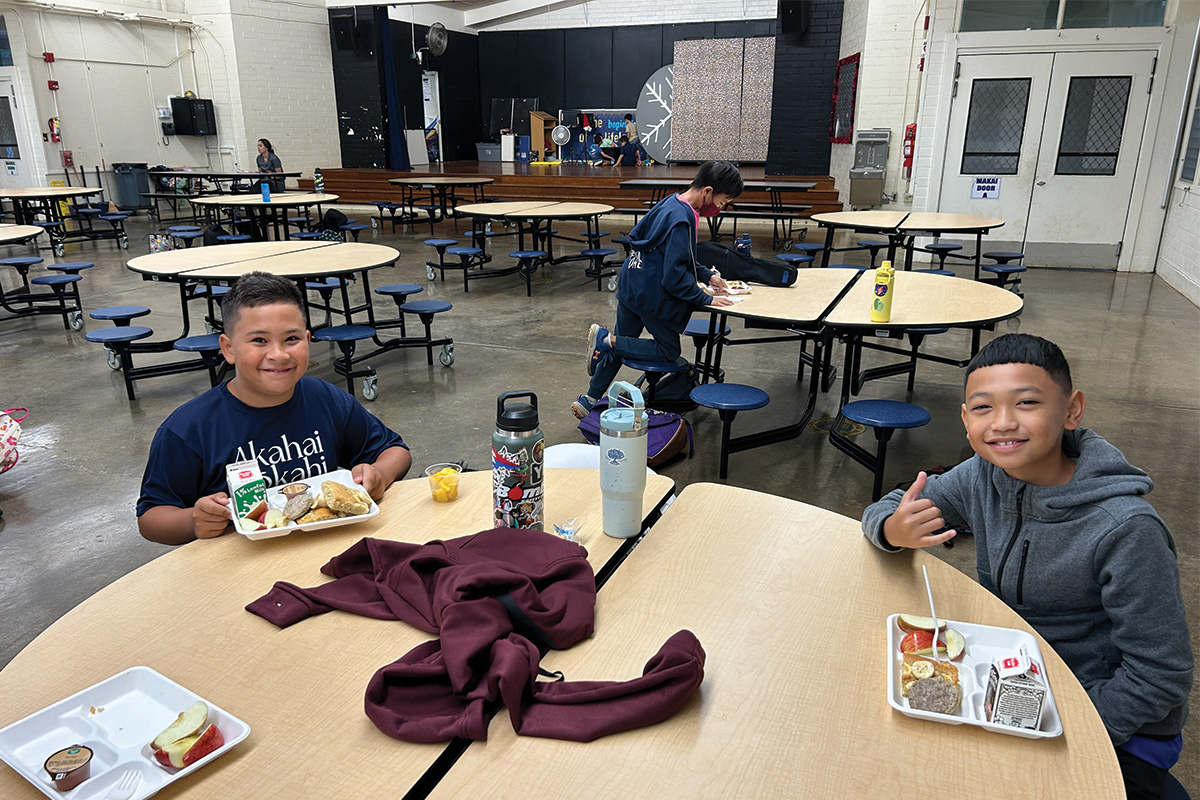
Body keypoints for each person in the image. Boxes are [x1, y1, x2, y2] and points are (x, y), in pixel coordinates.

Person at [861, 334, 1192, 800]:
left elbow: (1160, 675)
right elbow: (893, 505)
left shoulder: (1126, 530)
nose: (1003, 423)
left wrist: (1067, 728)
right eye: (983, 408)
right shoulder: (984, 474)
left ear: (1072, 410)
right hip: (1010, 681)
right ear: (965, 419)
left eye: (1028, 402)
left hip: (1113, 726)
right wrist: (895, 529)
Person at [137, 272, 412, 545]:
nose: (279, 354)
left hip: (324, 547)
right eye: (259, 340)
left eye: (291, 339)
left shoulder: (325, 399)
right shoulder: (190, 427)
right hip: (241, 564)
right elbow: (151, 517)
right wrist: (192, 521)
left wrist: (379, 475)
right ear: (228, 348)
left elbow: (395, 450)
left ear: (307, 339)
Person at [572, 161, 743, 418]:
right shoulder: (683, 220)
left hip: (632, 282)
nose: (722, 208)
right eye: (723, 201)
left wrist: (707, 275)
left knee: (624, 344)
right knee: (669, 350)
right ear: (708, 191)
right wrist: (704, 297)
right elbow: (673, 276)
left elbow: (675, 255)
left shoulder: (671, 202)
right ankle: (605, 339)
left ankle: (589, 399)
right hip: (650, 294)